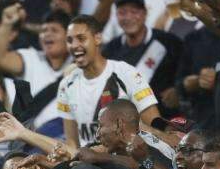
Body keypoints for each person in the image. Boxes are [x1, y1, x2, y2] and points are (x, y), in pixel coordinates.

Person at [57, 14, 160, 147]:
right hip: (86, 162)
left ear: (97, 38)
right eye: (70, 40)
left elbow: (154, 126)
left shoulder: (126, 73)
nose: (74, 45)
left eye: (81, 39)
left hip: (125, 160)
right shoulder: (66, 84)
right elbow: (72, 142)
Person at [0, 8, 72, 136]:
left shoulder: (79, 63)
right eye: (44, 30)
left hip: (71, 135)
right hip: (35, 137)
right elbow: (0, 58)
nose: (47, 34)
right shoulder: (30, 58)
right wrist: (7, 24)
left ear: (69, 37)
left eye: (54, 30)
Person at [102, 0, 182, 117]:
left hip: (167, 118)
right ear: (116, 16)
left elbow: (185, 72)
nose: (128, 18)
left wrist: (178, 90)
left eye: (134, 12)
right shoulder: (110, 50)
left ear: (145, 13)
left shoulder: (169, 42)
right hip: (127, 121)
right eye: (122, 13)